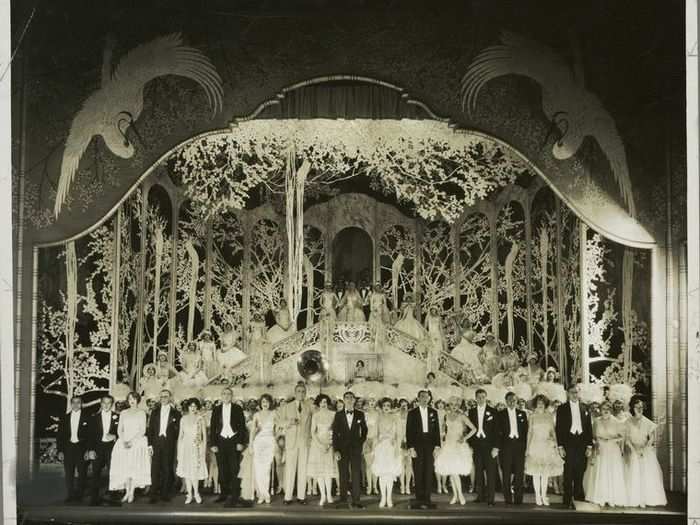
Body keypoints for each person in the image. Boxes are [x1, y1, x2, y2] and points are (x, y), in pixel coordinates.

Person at [555, 384, 594, 509]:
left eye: (576, 392)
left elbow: (589, 428)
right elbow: (559, 428)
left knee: (580, 470)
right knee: (568, 472)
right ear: (568, 393)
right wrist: (560, 446)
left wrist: (589, 446)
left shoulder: (585, 408)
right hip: (568, 443)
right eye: (572, 392)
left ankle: (578, 496)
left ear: (579, 393)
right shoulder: (562, 408)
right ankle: (567, 498)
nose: (574, 394)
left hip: (582, 442)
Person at [623, 397, 667, 507]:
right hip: (633, 451)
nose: (639, 409)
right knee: (633, 473)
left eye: (641, 407)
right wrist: (633, 451)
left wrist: (644, 449)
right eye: (637, 407)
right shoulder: (627, 422)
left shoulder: (648, 422)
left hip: (645, 451)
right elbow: (626, 440)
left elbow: (651, 439)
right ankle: (635, 499)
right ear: (632, 407)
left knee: (646, 475)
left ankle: (647, 498)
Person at [209, 387, 249, 507]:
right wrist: (213, 444)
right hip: (220, 442)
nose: (226, 396)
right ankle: (223, 494)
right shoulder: (216, 409)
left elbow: (242, 427)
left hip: (234, 441)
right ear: (221, 396)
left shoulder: (237, 408)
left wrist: (240, 443)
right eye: (224, 394)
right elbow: (212, 427)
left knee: (234, 468)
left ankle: (235, 494)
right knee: (222, 468)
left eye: (228, 394)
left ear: (232, 396)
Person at [583, 400, 628, 507]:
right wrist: (596, 443)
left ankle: (612, 497)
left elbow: (621, 436)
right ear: (600, 410)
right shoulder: (596, 421)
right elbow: (592, 437)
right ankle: (600, 497)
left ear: (611, 410)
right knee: (601, 472)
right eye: (604, 409)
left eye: (608, 409)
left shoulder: (616, 421)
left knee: (612, 472)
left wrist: (611, 440)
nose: (606, 411)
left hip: (612, 450)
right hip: (600, 450)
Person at [109, 392, 151, 503]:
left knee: (134, 467)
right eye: (130, 399)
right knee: (125, 468)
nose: (132, 400)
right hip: (124, 442)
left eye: (134, 398)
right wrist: (123, 440)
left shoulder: (142, 413)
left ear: (138, 400)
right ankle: (127, 492)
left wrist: (132, 441)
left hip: (137, 442)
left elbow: (143, 430)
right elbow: (119, 429)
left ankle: (132, 492)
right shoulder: (123, 412)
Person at [435, 396, 476, 505]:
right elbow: (443, 431)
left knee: (454, 472)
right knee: (451, 472)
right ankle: (456, 495)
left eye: (456, 405)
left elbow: (474, 429)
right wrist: (441, 440)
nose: (454, 407)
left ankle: (460, 495)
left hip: (458, 445)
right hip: (448, 445)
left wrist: (465, 438)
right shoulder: (446, 416)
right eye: (452, 405)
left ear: (458, 406)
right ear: (449, 405)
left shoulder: (462, 416)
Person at [525, 394, 563, 506]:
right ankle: (537, 496)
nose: (540, 404)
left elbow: (553, 431)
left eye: (542, 403)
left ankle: (544, 495)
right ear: (535, 404)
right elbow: (529, 433)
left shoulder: (549, 415)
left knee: (545, 473)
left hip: (547, 445)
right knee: (536, 473)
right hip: (535, 445)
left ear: (545, 404)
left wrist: (555, 444)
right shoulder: (532, 416)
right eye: (538, 403)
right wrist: (527, 448)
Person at [331, 391, 368, 509]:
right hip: (342, 449)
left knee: (356, 474)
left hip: (355, 449)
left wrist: (360, 442)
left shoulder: (360, 414)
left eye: (351, 398)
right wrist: (336, 450)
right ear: (343, 400)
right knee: (343, 474)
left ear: (354, 400)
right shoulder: (338, 415)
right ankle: (343, 500)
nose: (349, 400)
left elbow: (365, 430)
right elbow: (335, 434)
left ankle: (356, 500)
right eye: (346, 398)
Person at [405, 390, 441, 509]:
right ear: (418, 398)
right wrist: (411, 448)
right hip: (417, 445)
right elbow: (408, 431)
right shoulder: (412, 413)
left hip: (430, 445)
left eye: (427, 397)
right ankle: (419, 498)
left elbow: (437, 430)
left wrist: (437, 446)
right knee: (418, 470)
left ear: (429, 398)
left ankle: (427, 498)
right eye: (422, 397)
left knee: (428, 470)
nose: (425, 399)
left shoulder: (433, 412)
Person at [279, 382, 312, 504]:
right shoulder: (287, 407)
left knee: (303, 469)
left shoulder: (309, 407)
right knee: (290, 469)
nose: (301, 393)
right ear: (295, 392)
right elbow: (280, 422)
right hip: (291, 442)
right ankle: (287, 497)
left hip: (304, 442)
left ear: (306, 393)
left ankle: (301, 496)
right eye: (299, 391)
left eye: (303, 391)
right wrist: (290, 422)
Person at [146, 389, 181, 502]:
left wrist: (172, 438)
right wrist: (150, 445)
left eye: (166, 396)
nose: (164, 399)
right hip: (156, 442)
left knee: (167, 468)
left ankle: (165, 493)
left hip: (168, 443)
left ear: (170, 397)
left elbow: (178, 430)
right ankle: (153, 494)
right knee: (155, 469)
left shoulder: (176, 413)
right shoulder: (155, 412)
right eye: (162, 397)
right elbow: (150, 429)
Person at [467, 388, 500, 506]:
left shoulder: (493, 411)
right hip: (477, 446)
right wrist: (470, 446)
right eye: (479, 397)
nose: (481, 399)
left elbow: (497, 431)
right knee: (478, 472)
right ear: (475, 398)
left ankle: (491, 499)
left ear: (486, 397)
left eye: (483, 397)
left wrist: (496, 447)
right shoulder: (471, 412)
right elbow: (469, 430)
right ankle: (480, 496)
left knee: (491, 473)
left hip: (490, 447)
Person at [87, 395, 120, 506]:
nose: (106, 405)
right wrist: (91, 450)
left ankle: (113, 497)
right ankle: (94, 499)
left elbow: (123, 433)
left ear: (112, 404)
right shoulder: (94, 418)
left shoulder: (118, 417)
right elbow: (90, 436)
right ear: (100, 404)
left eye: (109, 403)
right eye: (104, 403)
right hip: (98, 448)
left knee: (114, 473)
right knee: (95, 473)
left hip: (112, 448)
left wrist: (115, 436)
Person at [57, 395, 90, 503]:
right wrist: (60, 450)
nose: (76, 405)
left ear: (81, 404)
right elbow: (60, 436)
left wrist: (88, 450)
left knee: (82, 472)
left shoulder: (88, 417)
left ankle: (80, 495)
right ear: (71, 404)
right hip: (68, 448)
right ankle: (70, 495)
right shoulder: (64, 418)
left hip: (81, 448)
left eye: (78, 402)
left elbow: (91, 435)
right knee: (69, 472)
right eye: (74, 402)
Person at [498, 391, 528, 505]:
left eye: (514, 400)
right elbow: (497, 432)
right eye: (510, 400)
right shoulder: (500, 414)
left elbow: (525, 432)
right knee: (506, 473)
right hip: (506, 447)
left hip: (519, 447)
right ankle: (508, 498)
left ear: (517, 401)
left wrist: (525, 447)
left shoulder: (522, 414)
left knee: (519, 473)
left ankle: (518, 498)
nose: (512, 402)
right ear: (506, 401)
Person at [307, 394, 338, 506]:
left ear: (328, 403)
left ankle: (329, 495)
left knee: (328, 472)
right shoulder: (315, 415)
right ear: (318, 404)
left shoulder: (333, 414)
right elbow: (312, 432)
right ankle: (323, 496)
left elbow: (335, 431)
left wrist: (329, 444)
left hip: (329, 444)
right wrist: (320, 445)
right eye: (321, 402)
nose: (323, 404)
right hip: (318, 445)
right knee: (319, 472)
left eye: (325, 402)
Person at [371, 397, 402, 508]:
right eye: (384, 406)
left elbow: (399, 435)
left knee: (389, 474)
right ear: (382, 407)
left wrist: (397, 446)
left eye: (388, 406)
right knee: (382, 475)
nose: (386, 408)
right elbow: (374, 434)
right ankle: (383, 497)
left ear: (391, 407)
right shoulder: (378, 418)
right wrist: (377, 442)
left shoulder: (395, 418)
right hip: (381, 447)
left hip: (392, 448)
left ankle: (389, 498)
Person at [176, 398, 208, 504]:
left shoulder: (200, 419)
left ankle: (196, 493)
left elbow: (204, 436)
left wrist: (203, 449)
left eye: (195, 406)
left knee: (194, 471)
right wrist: (179, 451)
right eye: (191, 406)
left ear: (197, 407)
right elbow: (180, 436)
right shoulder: (183, 419)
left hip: (197, 447)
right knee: (187, 472)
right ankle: (189, 494)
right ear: (188, 407)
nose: (193, 408)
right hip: (185, 447)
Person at [251, 393, 277, 504]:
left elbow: (277, 430)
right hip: (258, 443)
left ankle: (266, 494)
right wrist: (250, 445)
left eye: (266, 402)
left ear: (270, 403)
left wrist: (275, 442)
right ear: (260, 404)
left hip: (269, 442)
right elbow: (252, 431)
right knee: (258, 470)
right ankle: (261, 494)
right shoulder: (256, 415)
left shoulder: (274, 414)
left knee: (266, 470)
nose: (265, 404)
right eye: (263, 402)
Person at [363, 397, 379, 496]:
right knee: (368, 465)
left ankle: (375, 486)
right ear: (367, 403)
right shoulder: (364, 414)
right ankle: (369, 486)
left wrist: (376, 441)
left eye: (373, 400)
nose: (372, 402)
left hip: (376, 440)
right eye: (370, 401)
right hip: (366, 440)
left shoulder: (378, 414)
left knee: (375, 465)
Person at [396, 398, 413, 495]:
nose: (403, 407)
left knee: (409, 465)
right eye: (402, 405)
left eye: (405, 405)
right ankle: (402, 485)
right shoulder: (396, 416)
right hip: (400, 442)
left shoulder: (411, 416)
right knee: (401, 465)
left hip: (409, 442)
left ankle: (408, 486)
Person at [423, 307, 445, 374]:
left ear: (436, 311)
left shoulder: (439, 318)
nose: (433, 311)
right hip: (430, 335)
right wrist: (426, 336)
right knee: (430, 352)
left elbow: (440, 329)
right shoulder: (428, 318)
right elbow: (425, 328)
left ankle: (437, 368)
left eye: (434, 310)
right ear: (430, 310)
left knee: (437, 351)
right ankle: (430, 369)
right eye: (432, 310)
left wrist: (442, 337)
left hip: (437, 336)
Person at [368, 283, 390, 350]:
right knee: (374, 328)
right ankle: (373, 344)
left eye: (379, 287)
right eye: (376, 287)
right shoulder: (373, 296)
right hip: (374, 313)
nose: (378, 288)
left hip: (381, 312)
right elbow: (371, 305)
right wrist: (373, 311)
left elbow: (385, 304)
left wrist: (383, 310)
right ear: (375, 288)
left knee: (381, 327)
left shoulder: (382, 295)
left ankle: (380, 343)